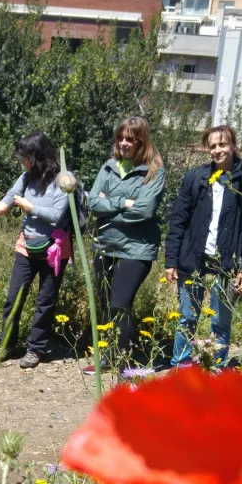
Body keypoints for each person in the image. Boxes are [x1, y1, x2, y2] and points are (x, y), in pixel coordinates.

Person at [0, 132, 73, 369]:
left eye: (26, 156)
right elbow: (4, 205)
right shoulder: (26, 177)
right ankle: (7, 345)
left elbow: (55, 216)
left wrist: (28, 206)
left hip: (55, 250)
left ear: (39, 156)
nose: (23, 161)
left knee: (45, 301)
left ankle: (36, 349)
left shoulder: (64, 179)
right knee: (13, 298)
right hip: (27, 247)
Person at [164, 124, 242, 368]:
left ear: (233, 146)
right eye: (212, 146)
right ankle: (181, 367)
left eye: (222, 144)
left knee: (220, 321)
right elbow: (179, 220)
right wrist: (171, 260)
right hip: (193, 259)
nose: (217, 150)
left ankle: (215, 369)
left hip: (229, 263)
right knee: (186, 318)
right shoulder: (195, 178)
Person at [85, 116, 165, 374]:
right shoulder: (108, 167)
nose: (124, 143)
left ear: (142, 141)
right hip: (105, 245)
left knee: (120, 303)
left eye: (130, 139)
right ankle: (108, 357)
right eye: (120, 138)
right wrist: (123, 202)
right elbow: (91, 203)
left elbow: (144, 211)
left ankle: (124, 360)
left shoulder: (153, 171)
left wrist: (108, 204)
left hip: (136, 248)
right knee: (105, 303)